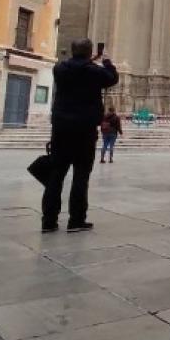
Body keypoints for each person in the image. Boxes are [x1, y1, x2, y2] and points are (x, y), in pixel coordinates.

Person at [42, 39, 119, 233]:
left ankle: (48, 222)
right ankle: (76, 220)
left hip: (60, 130)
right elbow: (112, 78)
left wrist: (86, 61)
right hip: (84, 131)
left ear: (71, 51)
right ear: (89, 52)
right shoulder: (93, 71)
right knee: (80, 177)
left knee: (55, 177)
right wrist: (106, 61)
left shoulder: (59, 69)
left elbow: (75, 69)